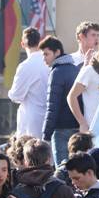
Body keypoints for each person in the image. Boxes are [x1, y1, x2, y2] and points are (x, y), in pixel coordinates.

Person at [40, 36, 81, 166]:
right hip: (77, 127)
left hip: (61, 129)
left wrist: (46, 134)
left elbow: (52, 106)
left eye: (46, 54)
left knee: (62, 171)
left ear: (57, 52)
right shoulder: (75, 69)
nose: (44, 58)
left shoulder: (56, 72)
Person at [9, 27, 50, 139]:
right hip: (49, 118)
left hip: (31, 120)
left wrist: (10, 93)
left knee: (29, 153)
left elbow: (16, 95)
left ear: (23, 44)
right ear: (39, 41)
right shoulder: (49, 61)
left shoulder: (25, 66)